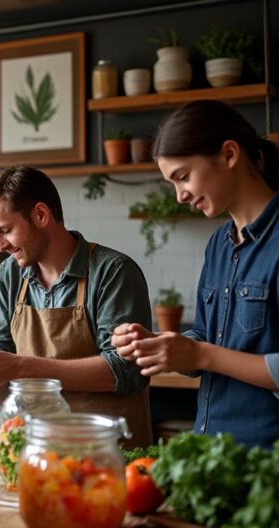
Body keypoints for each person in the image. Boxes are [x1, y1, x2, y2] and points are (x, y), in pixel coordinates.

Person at [111, 100, 279, 449]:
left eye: (183, 177)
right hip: (215, 453)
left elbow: (211, 353)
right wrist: (163, 347)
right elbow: (206, 337)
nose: (180, 195)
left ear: (229, 154)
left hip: (265, 463)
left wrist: (201, 354)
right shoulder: (219, 244)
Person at [0, 166, 154, 447]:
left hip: (107, 450)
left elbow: (125, 371)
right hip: (35, 447)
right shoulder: (9, 274)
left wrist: (21, 367)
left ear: (41, 215)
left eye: (6, 230)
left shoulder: (113, 272)